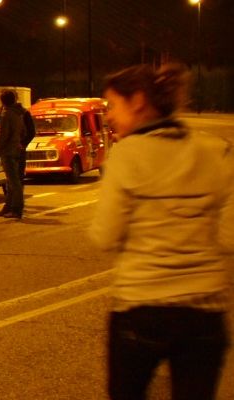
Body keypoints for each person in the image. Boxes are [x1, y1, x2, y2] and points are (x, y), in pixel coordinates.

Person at [89, 63, 234, 400]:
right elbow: (229, 236)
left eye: (112, 105)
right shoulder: (214, 150)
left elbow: (104, 235)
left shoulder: (127, 154)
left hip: (142, 307)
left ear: (138, 101)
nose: (108, 115)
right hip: (206, 312)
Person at [0, 90, 26, 219]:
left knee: (13, 182)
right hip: (16, 149)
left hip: (7, 151)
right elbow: (23, 131)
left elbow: (3, 135)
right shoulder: (18, 113)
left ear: (3, 101)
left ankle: (16, 209)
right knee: (11, 181)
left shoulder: (6, 114)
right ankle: (8, 207)